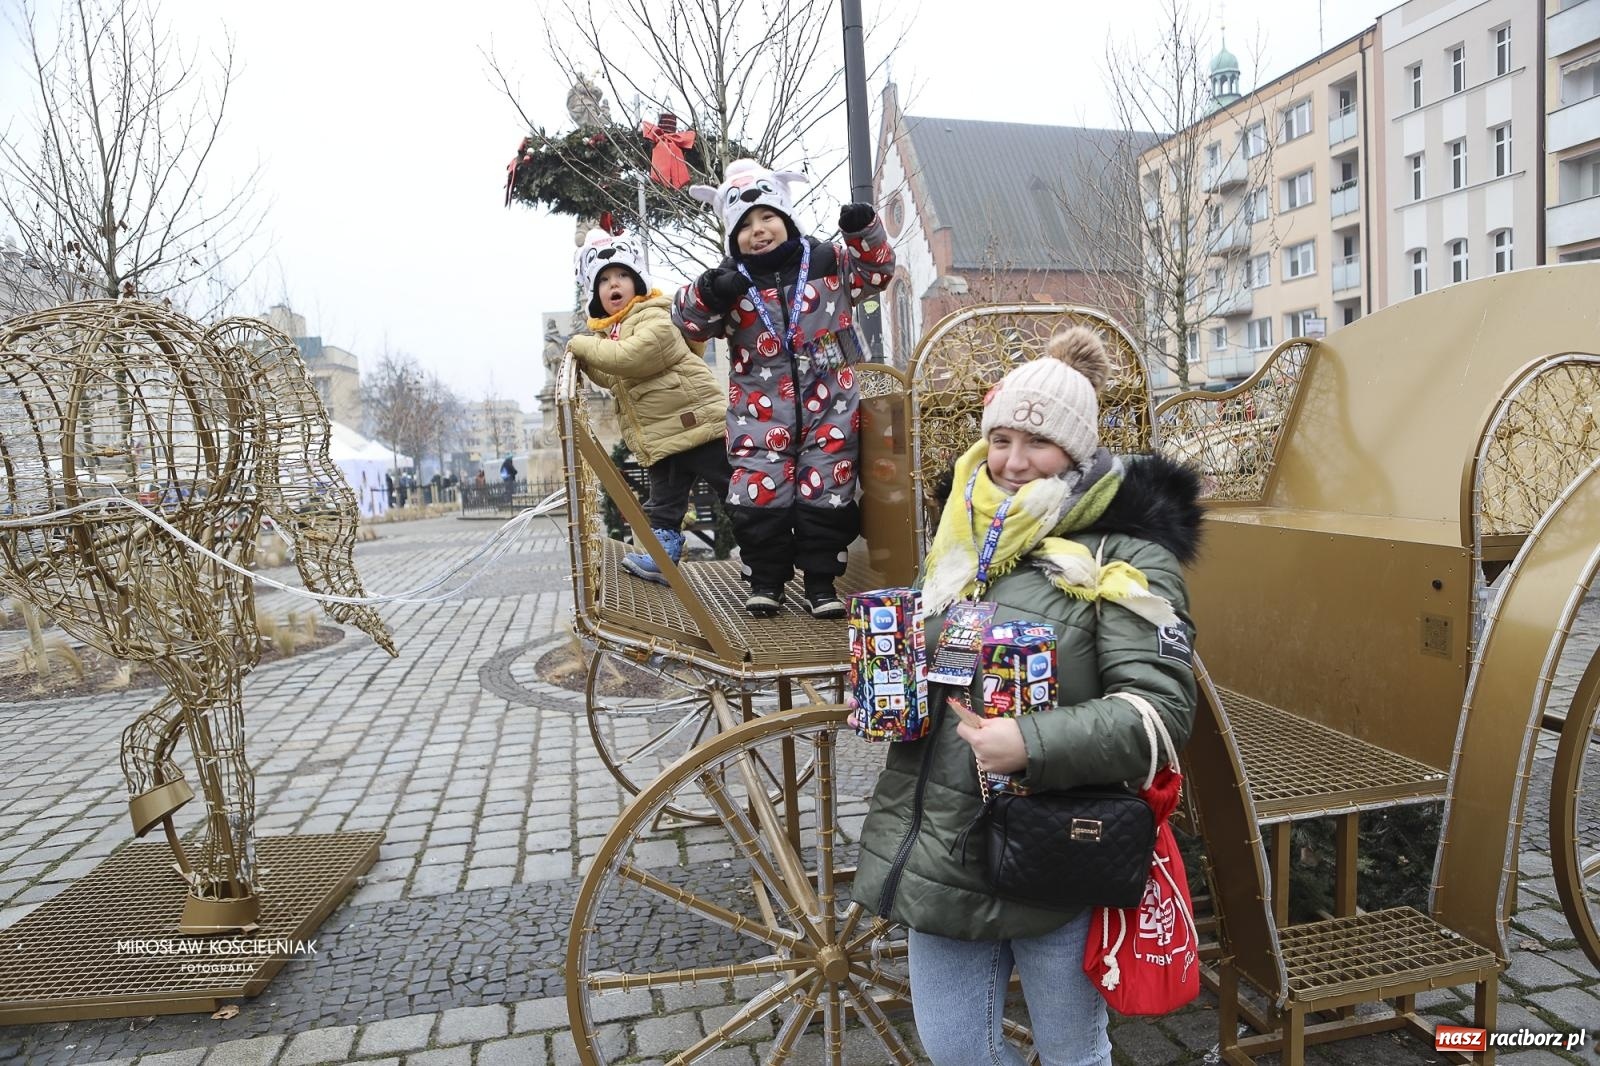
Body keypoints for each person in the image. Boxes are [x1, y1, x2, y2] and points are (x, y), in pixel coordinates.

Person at [850, 326, 1203, 1066]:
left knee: (1073, 1055)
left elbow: (1160, 716)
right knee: (957, 1055)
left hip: (1056, 858)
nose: (1012, 463)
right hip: (944, 848)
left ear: (1077, 452)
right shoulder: (962, 538)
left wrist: (1031, 745)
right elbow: (943, 656)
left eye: (1037, 444)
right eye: (1000, 438)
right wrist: (889, 677)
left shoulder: (1124, 556)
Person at [673, 158, 894, 618]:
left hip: (829, 407)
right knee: (759, 494)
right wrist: (710, 291)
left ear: (787, 218)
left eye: (768, 217)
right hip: (758, 411)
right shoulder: (730, 282)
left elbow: (877, 274)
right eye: (746, 224)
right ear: (733, 235)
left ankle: (820, 584)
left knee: (827, 494)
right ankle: (765, 581)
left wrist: (863, 232)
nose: (759, 229)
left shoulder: (827, 261)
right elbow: (689, 324)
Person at [568, 228, 729, 584]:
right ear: (595, 295)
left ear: (637, 283)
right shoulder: (613, 334)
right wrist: (588, 362)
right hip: (662, 437)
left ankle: (764, 545)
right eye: (605, 280)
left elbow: (631, 358)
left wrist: (581, 346)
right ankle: (663, 557)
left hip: (699, 426)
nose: (615, 283)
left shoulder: (654, 315)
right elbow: (615, 377)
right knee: (663, 507)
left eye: (623, 275)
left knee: (733, 489)